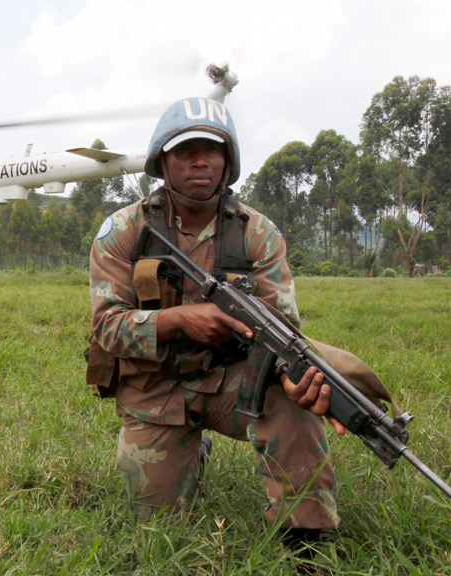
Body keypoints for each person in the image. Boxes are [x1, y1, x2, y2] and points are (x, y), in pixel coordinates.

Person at [86, 96, 343, 544]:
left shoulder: (257, 233)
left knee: (295, 402)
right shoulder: (125, 230)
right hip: (155, 391)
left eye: (212, 150)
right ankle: (191, 452)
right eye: (185, 151)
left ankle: (306, 538)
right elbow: (107, 328)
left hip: (234, 380)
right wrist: (180, 319)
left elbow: (283, 329)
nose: (200, 161)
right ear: (163, 162)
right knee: (157, 534)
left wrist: (295, 380)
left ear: (229, 161)